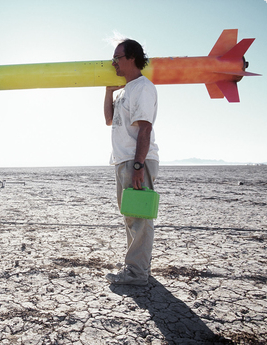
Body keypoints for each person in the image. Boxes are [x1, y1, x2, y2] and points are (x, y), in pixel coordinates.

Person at [103, 39, 159, 286]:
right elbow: (108, 120)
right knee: (130, 216)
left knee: (139, 218)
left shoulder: (142, 88)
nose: (113, 62)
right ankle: (137, 267)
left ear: (132, 57)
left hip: (136, 160)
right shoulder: (126, 90)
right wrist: (108, 91)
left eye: (117, 57)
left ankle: (137, 273)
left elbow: (145, 128)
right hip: (123, 159)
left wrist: (138, 165)